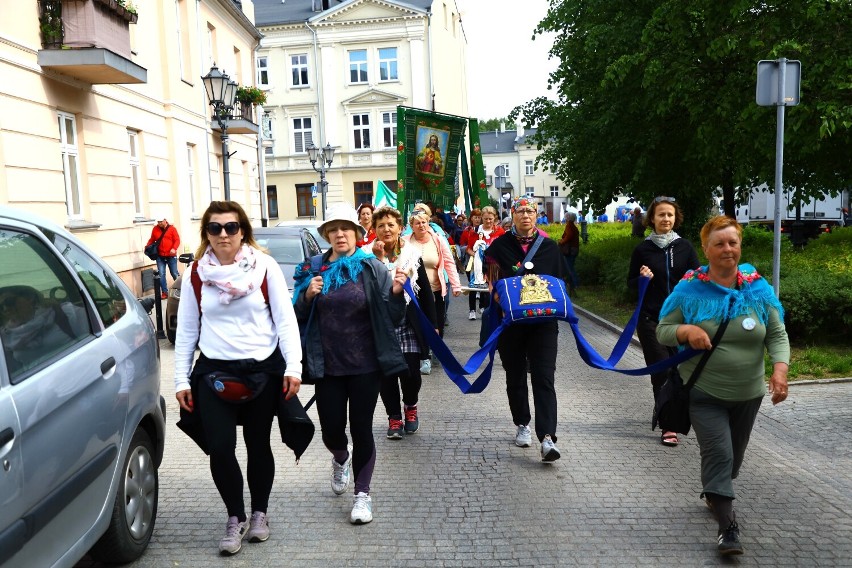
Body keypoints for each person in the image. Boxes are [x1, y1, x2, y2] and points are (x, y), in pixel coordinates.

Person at [173, 201, 303, 555]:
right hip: (215, 373)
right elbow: (186, 331)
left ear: (242, 230)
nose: (224, 234)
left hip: (261, 371)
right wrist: (180, 380)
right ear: (206, 235)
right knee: (220, 447)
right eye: (215, 228)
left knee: (258, 444)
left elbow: (285, 319)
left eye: (231, 227)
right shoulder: (196, 275)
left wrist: (294, 367)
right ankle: (235, 516)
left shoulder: (265, 267)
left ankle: (260, 512)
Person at [657, 215, 789, 556]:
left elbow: (776, 333)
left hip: (749, 394)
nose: (727, 249)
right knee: (719, 453)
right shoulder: (689, 288)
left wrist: (779, 369)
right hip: (704, 392)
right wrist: (687, 332)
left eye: (732, 242)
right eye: (719, 243)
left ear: (740, 245)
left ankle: (715, 492)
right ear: (706, 248)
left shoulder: (757, 287)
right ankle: (728, 529)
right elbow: (663, 330)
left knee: (732, 461)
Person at [293, 203, 408, 525]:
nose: (340, 233)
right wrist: (306, 297)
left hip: (365, 366)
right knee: (331, 431)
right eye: (334, 229)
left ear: (358, 233)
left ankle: (362, 495)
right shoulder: (313, 268)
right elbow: (297, 318)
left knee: (362, 428)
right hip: (327, 364)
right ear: (327, 234)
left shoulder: (372, 267)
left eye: (346, 228)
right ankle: (340, 458)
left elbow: (394, 318)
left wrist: (397, 294)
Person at [484, 197, 565, 462]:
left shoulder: (550, 247)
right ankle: (522, 422)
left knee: (544, 377)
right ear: (512, 215)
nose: (526, 215)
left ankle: (548, 438)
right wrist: (496, 296)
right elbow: (492, 281)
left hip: (543, 324)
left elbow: (560, 282)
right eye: (521, 211)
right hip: (511, 323)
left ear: (537, 215)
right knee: (516, 374)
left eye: (531, 211)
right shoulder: (499, 247)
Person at [627, 196, 700, 446]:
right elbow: (630, 286)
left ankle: (669, 410)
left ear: (675, 218)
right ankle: (668, 425)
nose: (666, 219)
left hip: (682, 321)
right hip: (651, 320)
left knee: (681, 371)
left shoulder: (685, 248)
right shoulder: (643, 250)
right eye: (661, 215)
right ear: (652, 219)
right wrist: (641, 279)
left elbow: (700, 281)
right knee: (662, 370)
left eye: (669, 215)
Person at [370, 206, 438, 439]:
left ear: (400, 228)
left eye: (391, 225)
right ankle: (394, 418)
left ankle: (410, 407)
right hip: (380, 325)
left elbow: (426, 293)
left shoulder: (411, 254)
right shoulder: (366, 257)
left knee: (410, 374)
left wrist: (433, 324)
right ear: (374, 230)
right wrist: (378, 261)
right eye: (381, 225)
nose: (386, 229)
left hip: (409, 322)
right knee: (386, 376)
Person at [403, 204, 462, 338]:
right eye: (417, 223)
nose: (421, 225)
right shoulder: (404, 241)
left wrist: (456, 285)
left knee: (437, 325)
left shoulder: (438, 240)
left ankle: (437, 354)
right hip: (413, 292)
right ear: (412, 226)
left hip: (436, 291)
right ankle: (423, 355)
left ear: (428, 223)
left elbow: (449, 263)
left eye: (424, 222)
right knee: (417, 326)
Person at [464, 206, 505, 320]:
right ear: (482, 218)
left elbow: (503, 248)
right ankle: (472, 310)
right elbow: (468, 248)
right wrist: (476, 256)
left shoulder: (499, 231)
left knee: (490, 288)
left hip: (493, 265)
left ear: (494, 218)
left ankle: (488, 309)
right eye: (486, 218)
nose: (488, 221)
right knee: (474, 286)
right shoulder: (475, 231)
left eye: (490, 219)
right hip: (478, 263)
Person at [146, 217, 181, 299]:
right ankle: (165, 292)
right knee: (161, 274)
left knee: (174, 273)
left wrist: (174, 248)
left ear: (165, 220)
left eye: (161, 221)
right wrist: (147, 246)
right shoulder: (155, 229)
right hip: (160, 256)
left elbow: (177, 240)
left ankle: (181, 289)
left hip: (171, 256)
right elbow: (152, 239)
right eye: (158, 222)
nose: (159, 223)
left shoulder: (172, 229)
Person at [558, 212, 580, 294]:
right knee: (571, 266)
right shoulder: (573, 226)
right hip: (574, 249)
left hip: (570, 250)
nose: (565, 218)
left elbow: (569, 236)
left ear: (568, 217)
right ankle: (575, 283)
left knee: (569, 267)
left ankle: (574, 284)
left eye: (566, 216)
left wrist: (561, 241)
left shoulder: (569, 225)